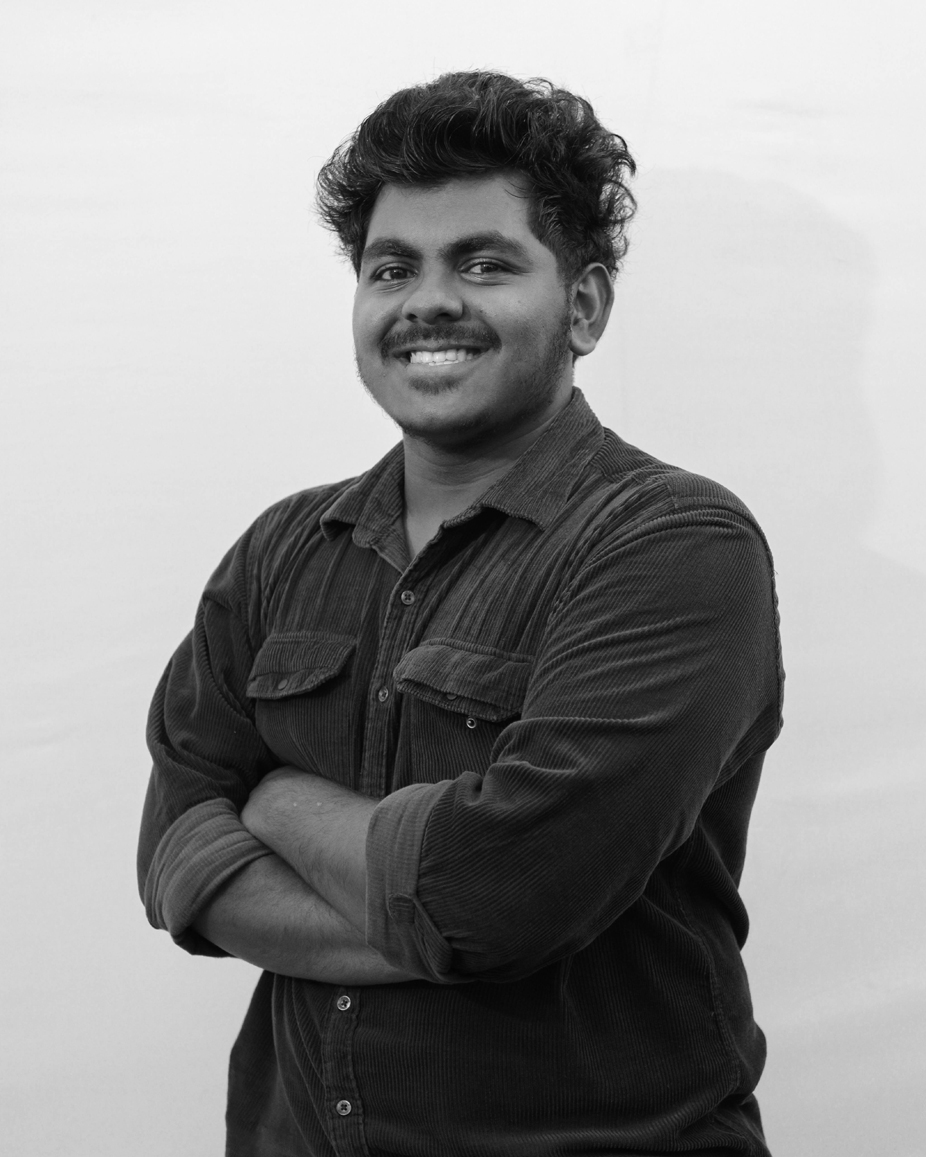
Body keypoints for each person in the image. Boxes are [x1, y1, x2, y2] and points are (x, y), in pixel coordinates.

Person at [138, 71, 783, 1157]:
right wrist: (430, 904)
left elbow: (496, 899)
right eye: (392, 268)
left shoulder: (674, 545)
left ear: (583, 306)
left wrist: (279, 799)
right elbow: (173, 857)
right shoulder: (282, 550)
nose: (426, 301)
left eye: (484, 263)